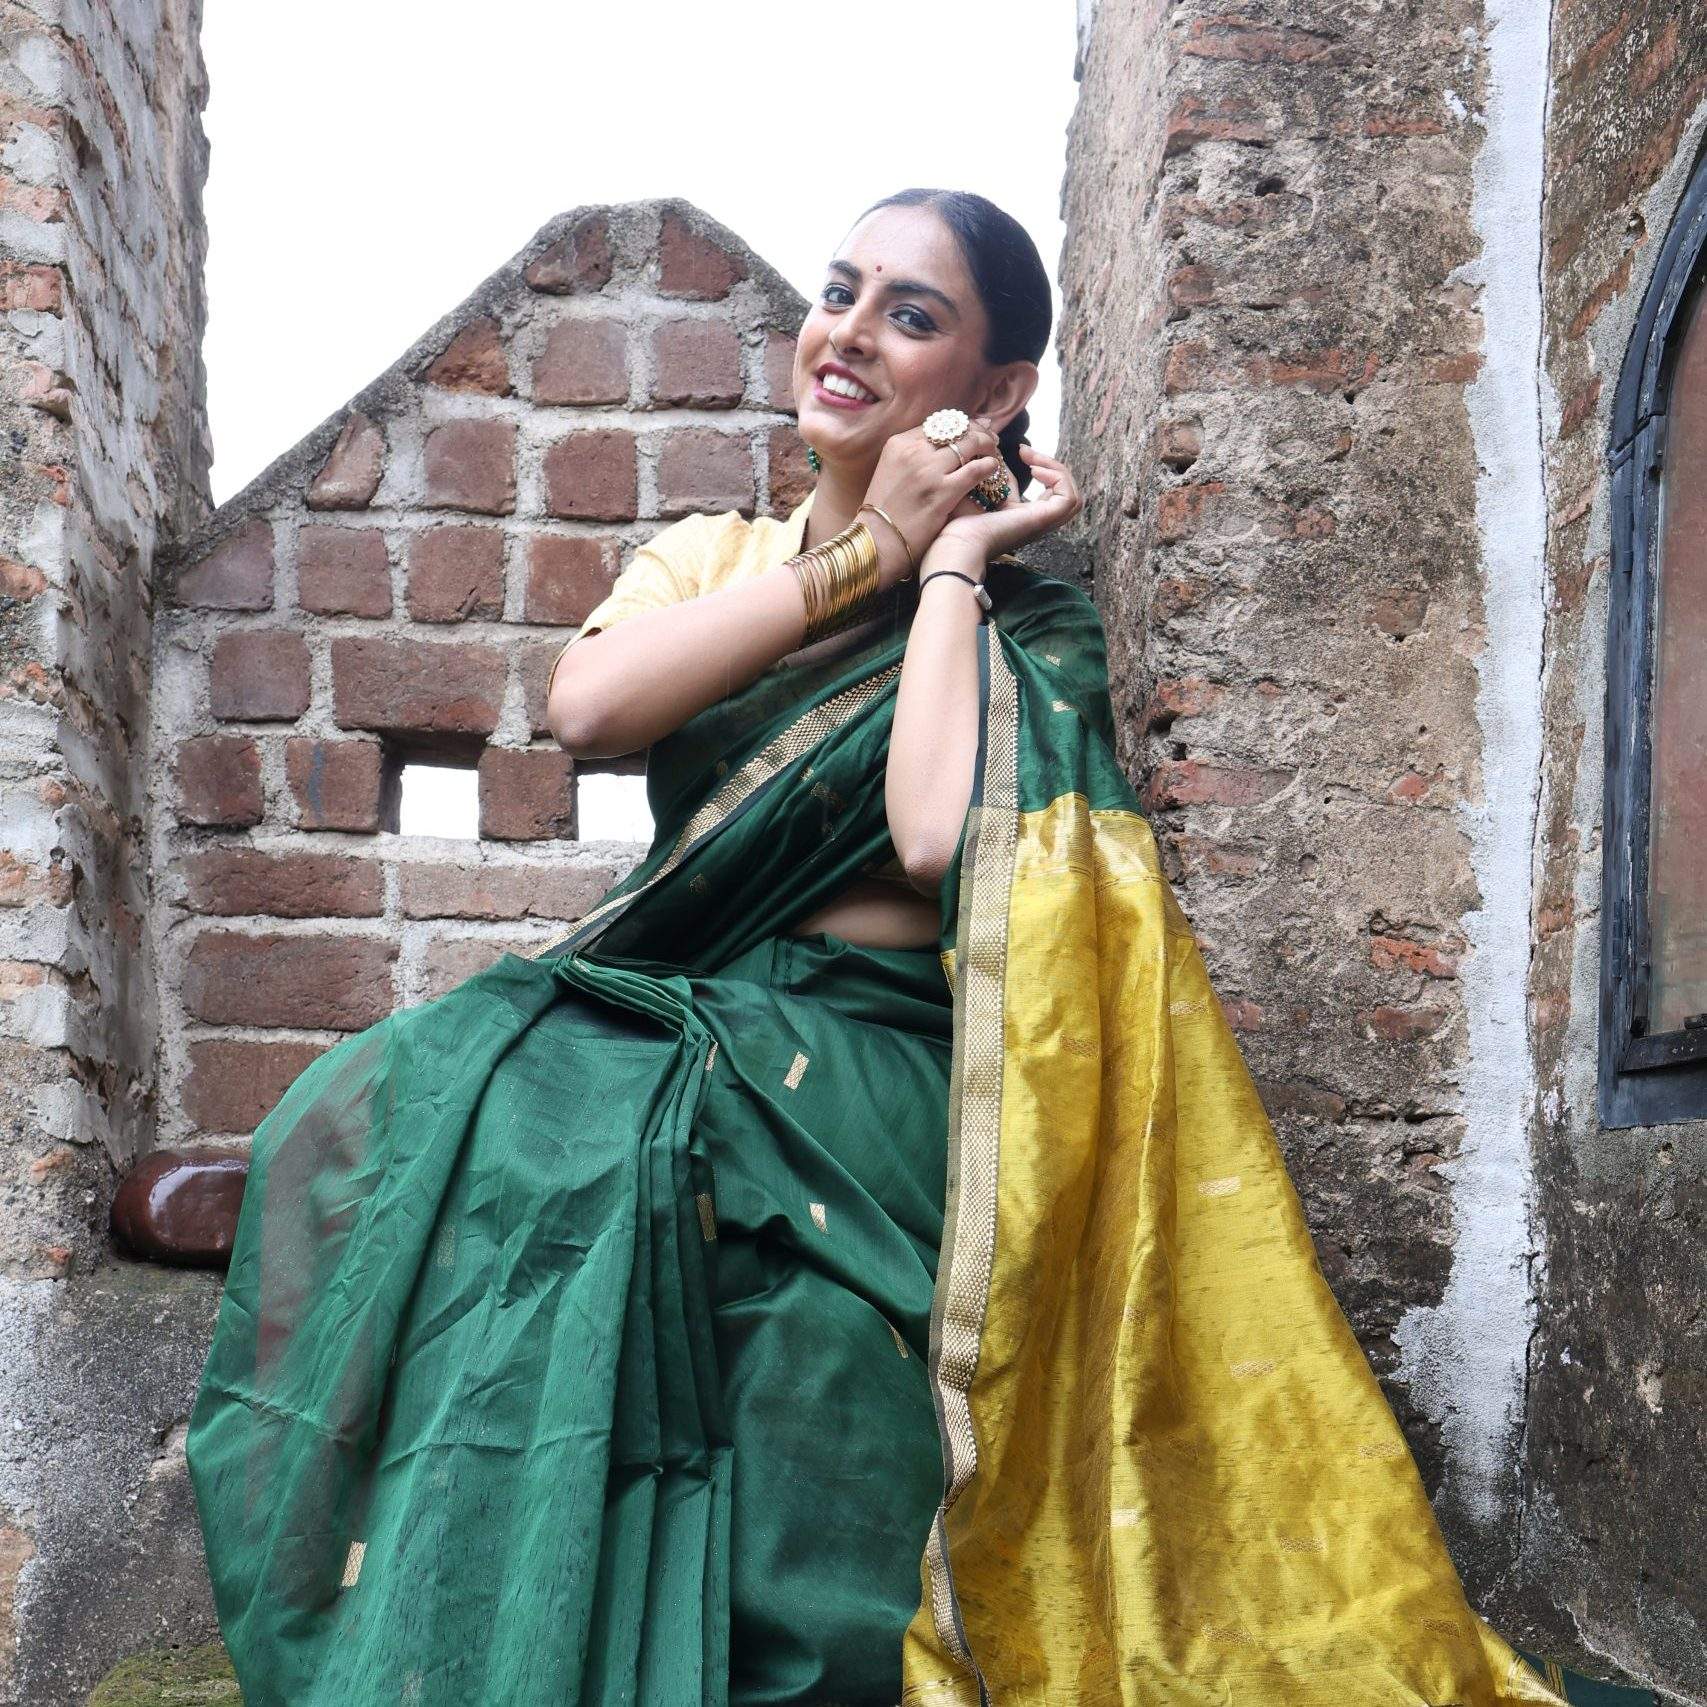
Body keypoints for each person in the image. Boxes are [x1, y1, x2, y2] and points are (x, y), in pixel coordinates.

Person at [185, 190, 1650, 1706]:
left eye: (912, 315)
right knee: (427, 1123)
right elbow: (591, 713)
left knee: (782, 1335)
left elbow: (937, 833)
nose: (850, 334)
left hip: (877, 1076)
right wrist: (865, 551)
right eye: (842, 292)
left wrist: (943, 569)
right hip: (684, 1030)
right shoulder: (710, 559)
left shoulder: (1033, 633)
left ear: (999, 389)